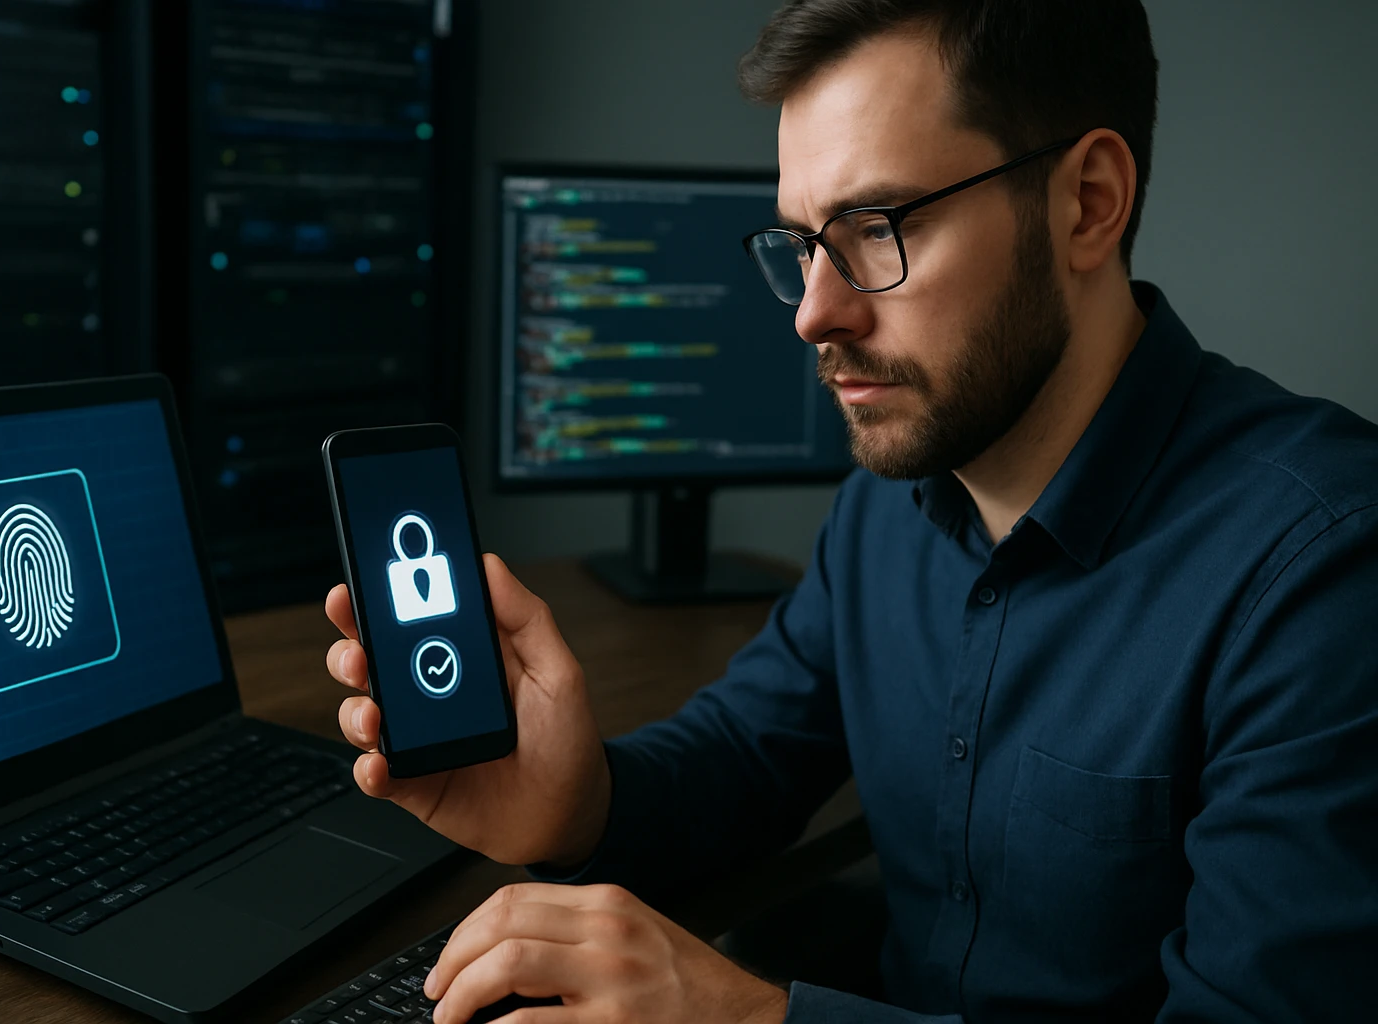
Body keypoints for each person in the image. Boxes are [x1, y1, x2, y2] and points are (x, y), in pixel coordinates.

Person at [324, 1, 1378, 1020]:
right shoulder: (889, 506)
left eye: (875, 228)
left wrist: (749, 1020)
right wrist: (575, 799)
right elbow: (746, 757)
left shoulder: (1324, 569)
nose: (816, 312)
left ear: (1088, 202)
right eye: (801, 242)